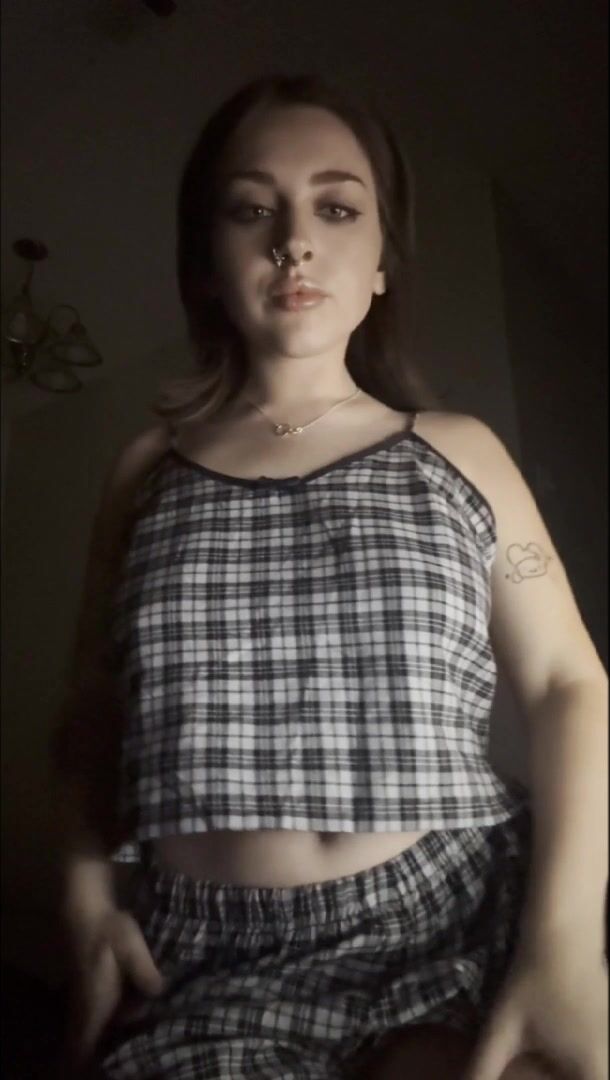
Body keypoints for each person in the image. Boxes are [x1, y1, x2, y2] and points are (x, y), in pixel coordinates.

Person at [50, 73, 608, 1080]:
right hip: (208, 965)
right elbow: (93, 709)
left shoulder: (456, 451)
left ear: (383, 261)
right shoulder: (146, 471)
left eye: (337, 208)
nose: (293, 240)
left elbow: (569, 683)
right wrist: (85, 903)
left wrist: (564, 949)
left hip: (451, 913)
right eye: (251, 209)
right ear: (206, 264)